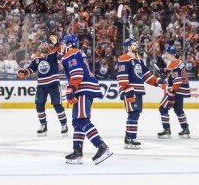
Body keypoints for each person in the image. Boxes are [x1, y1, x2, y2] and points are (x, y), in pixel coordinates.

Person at [60, 34, 112, 165]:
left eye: (64, 43)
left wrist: (71, 88)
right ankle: (77, 152)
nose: (62, 46)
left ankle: (101, 146)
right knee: (77, 122)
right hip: (84, 88)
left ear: (69, 44)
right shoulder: (78, 52)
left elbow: (77, 72)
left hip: (82, 88)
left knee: (82, 120)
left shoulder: (71, 53)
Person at [17, 41, 69, 137]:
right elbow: (30, 69)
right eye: (42, 46)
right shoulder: (37, 58)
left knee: (57, 105)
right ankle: (43, 125)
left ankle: (64, 125)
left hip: (53, 84)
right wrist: (24, 72)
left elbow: (61, 53)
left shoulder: (54, 54)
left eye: (46, 46)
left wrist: (56, 43)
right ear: (39, 48)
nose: (44, 48)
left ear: (49, 47)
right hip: (41, 85)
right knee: (39, 105)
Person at [117, 38, 161, 149]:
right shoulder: (124, 59)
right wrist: (127, 90)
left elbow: (146, 75)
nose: (137, 45)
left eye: (137, 44)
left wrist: (157, 81)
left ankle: (128, 138)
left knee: (135, 114)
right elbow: (121, 77)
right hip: (130, 91)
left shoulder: (139, 60)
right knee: (134, 114)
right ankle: (132, 138)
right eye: (134, 44)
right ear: (128, 47)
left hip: (139, 91)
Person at [157, 46, 191, 139]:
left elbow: (178, 80)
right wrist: (163, 70)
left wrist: (172, 91)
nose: (165, 55)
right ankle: (185, 129)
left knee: (162, 108)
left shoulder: (173, 64)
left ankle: (166, 130)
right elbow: (172, 71)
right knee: (178, 110)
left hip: (176, 90)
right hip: (182, 90)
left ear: (171, 54)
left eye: (167, 53)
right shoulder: (179, 62)